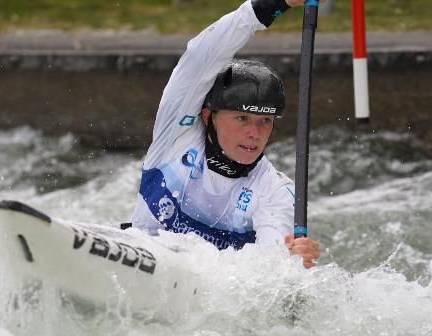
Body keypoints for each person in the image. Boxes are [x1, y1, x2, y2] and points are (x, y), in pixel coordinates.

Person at [127, 0, 321, 269]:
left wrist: (293, 262)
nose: (255, 133)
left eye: (265, 120)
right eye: (242, 118)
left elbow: (270, 268)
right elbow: (201, 56)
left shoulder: (276, 191)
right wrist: (276, 3)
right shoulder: (176, 135)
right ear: (208, 117)